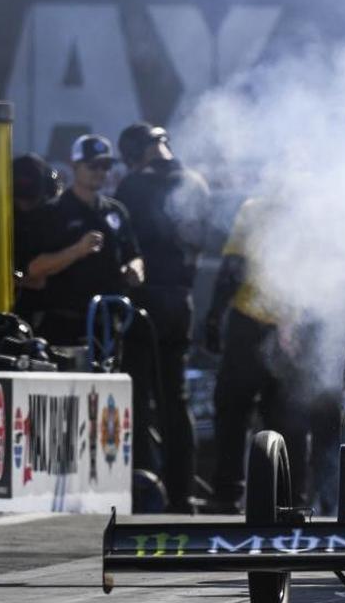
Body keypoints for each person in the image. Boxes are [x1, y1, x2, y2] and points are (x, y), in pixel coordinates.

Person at [115, 122, 211, 512]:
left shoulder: (132, 186)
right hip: (181, 301)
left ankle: (144, 489)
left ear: (136, 153)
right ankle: (181, 494)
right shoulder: (196, 183)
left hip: (145, 301)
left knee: (138, 397)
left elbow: (123, 245)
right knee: (176, 399)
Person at [204, 197, 310, 512]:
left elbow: (233, 267)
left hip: (252, 323)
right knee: (288, 418)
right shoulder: (316, 208)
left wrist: (214, 315)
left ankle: (227, 494)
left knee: (233, 409)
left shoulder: (255, 208)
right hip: (294, 323)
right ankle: (292, 500)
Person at [26, 135, 144, 346]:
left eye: (105, 166)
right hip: (64, 325)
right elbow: (34, 269)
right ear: (74, 165)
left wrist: (135, 269)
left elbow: (134, 255)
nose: (100, 172)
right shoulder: (53, 212)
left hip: (108, 324)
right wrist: (77, 250)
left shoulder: (115, 211)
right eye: (93, 165)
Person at [11, 154, 62, 328]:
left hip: (45, 311)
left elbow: (41, 280)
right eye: (19, 200)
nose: (24, 206)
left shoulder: (54, 218)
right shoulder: (2, 218)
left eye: (31, 201)